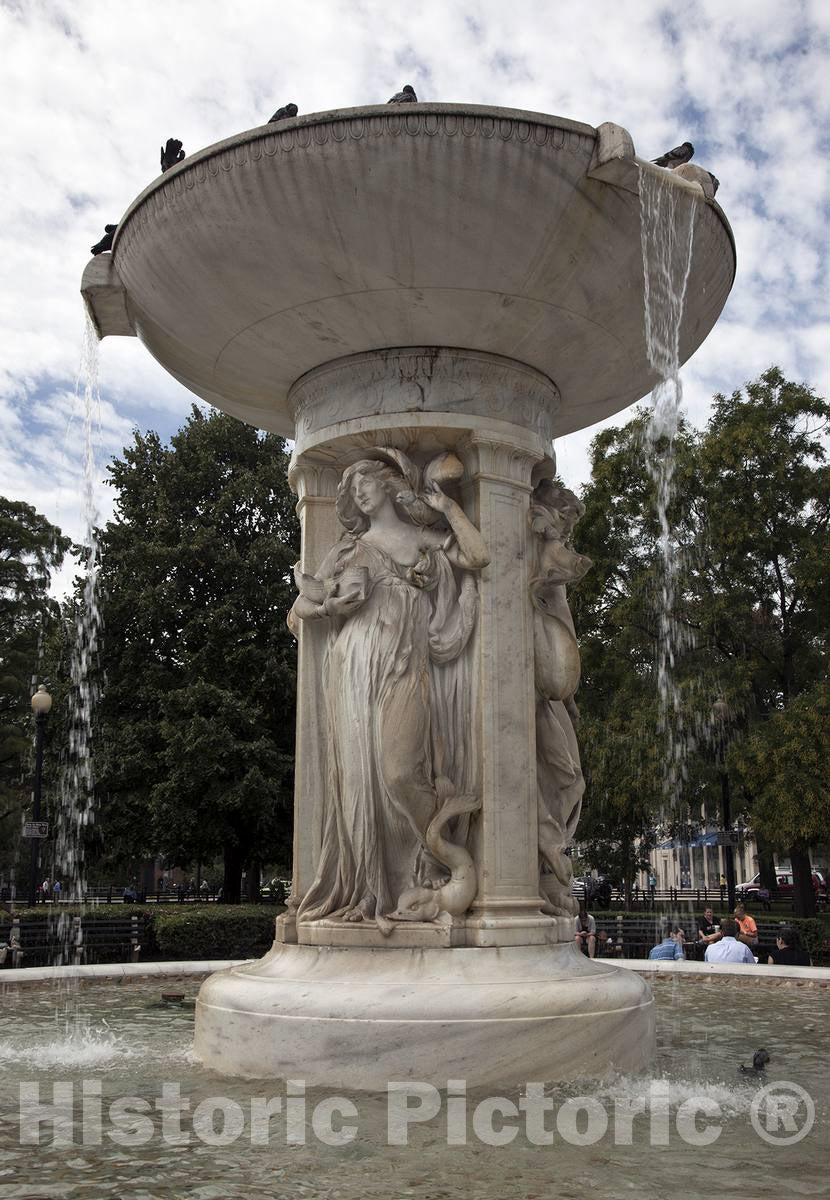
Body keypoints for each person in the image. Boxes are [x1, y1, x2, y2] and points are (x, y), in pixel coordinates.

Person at [292, 452, 488, 932]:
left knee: (400, 769)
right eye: (351, 486)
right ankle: (369, 886)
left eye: (366, 481)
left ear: (389, 484)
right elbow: (300, 610)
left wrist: (447, 507)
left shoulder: (422, 538)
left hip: (404, 664)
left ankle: (438, 855)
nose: (358, 491)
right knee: (358, 776)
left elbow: (478, 557)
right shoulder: (347, 550)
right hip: (353, 667)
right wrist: (330, 606)